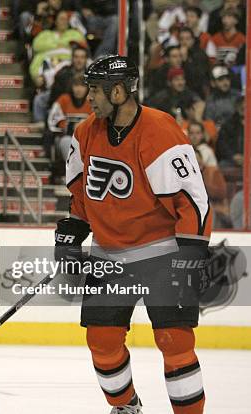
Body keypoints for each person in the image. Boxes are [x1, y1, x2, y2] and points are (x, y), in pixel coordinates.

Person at [58, 55, 211, 414]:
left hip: (163, 251)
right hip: (109, 255)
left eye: (95, 89)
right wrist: (70, 232)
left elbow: (193, 202)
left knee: (174, 340)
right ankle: (126, 407)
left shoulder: (160, 129)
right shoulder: (84, 133)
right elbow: (82, 196)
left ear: (118, 91)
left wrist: (190, 255)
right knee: (101, 341)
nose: (89, 97)